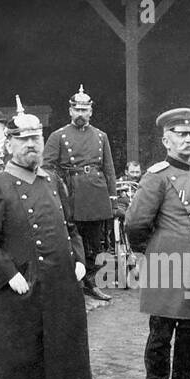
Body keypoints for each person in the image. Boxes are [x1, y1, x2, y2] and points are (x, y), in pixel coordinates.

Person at [0, 98, 130, 379]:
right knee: (20, 352)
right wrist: (9, 274)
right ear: (7, 144)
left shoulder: (52, 180)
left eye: (36, 139)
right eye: (23, 140)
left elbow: (70, 226)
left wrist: (80, 260)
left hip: (60, 282)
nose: (30, 145)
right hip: (22, 284)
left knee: (72, 347)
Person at [125, 108, 190, 379]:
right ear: (167, 140)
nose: (189, 140)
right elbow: (136, 223)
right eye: (182, 135)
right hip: (168, 262)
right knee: (163, 329)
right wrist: (149, 253)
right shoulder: (157, 177)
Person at [42, 85, 116, 301]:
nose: (81, 114)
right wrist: (57, 191)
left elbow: (109, 170)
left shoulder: (101, 136)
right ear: (70, 111)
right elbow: (47, 167)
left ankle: (90, 283)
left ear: (91, 112)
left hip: (95, 193)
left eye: (85, 110)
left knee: (94, 242)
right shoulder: (58, 136)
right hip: (70, 193)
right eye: (77, 110)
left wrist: (112, 200)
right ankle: (70, 283)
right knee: (71, 239)